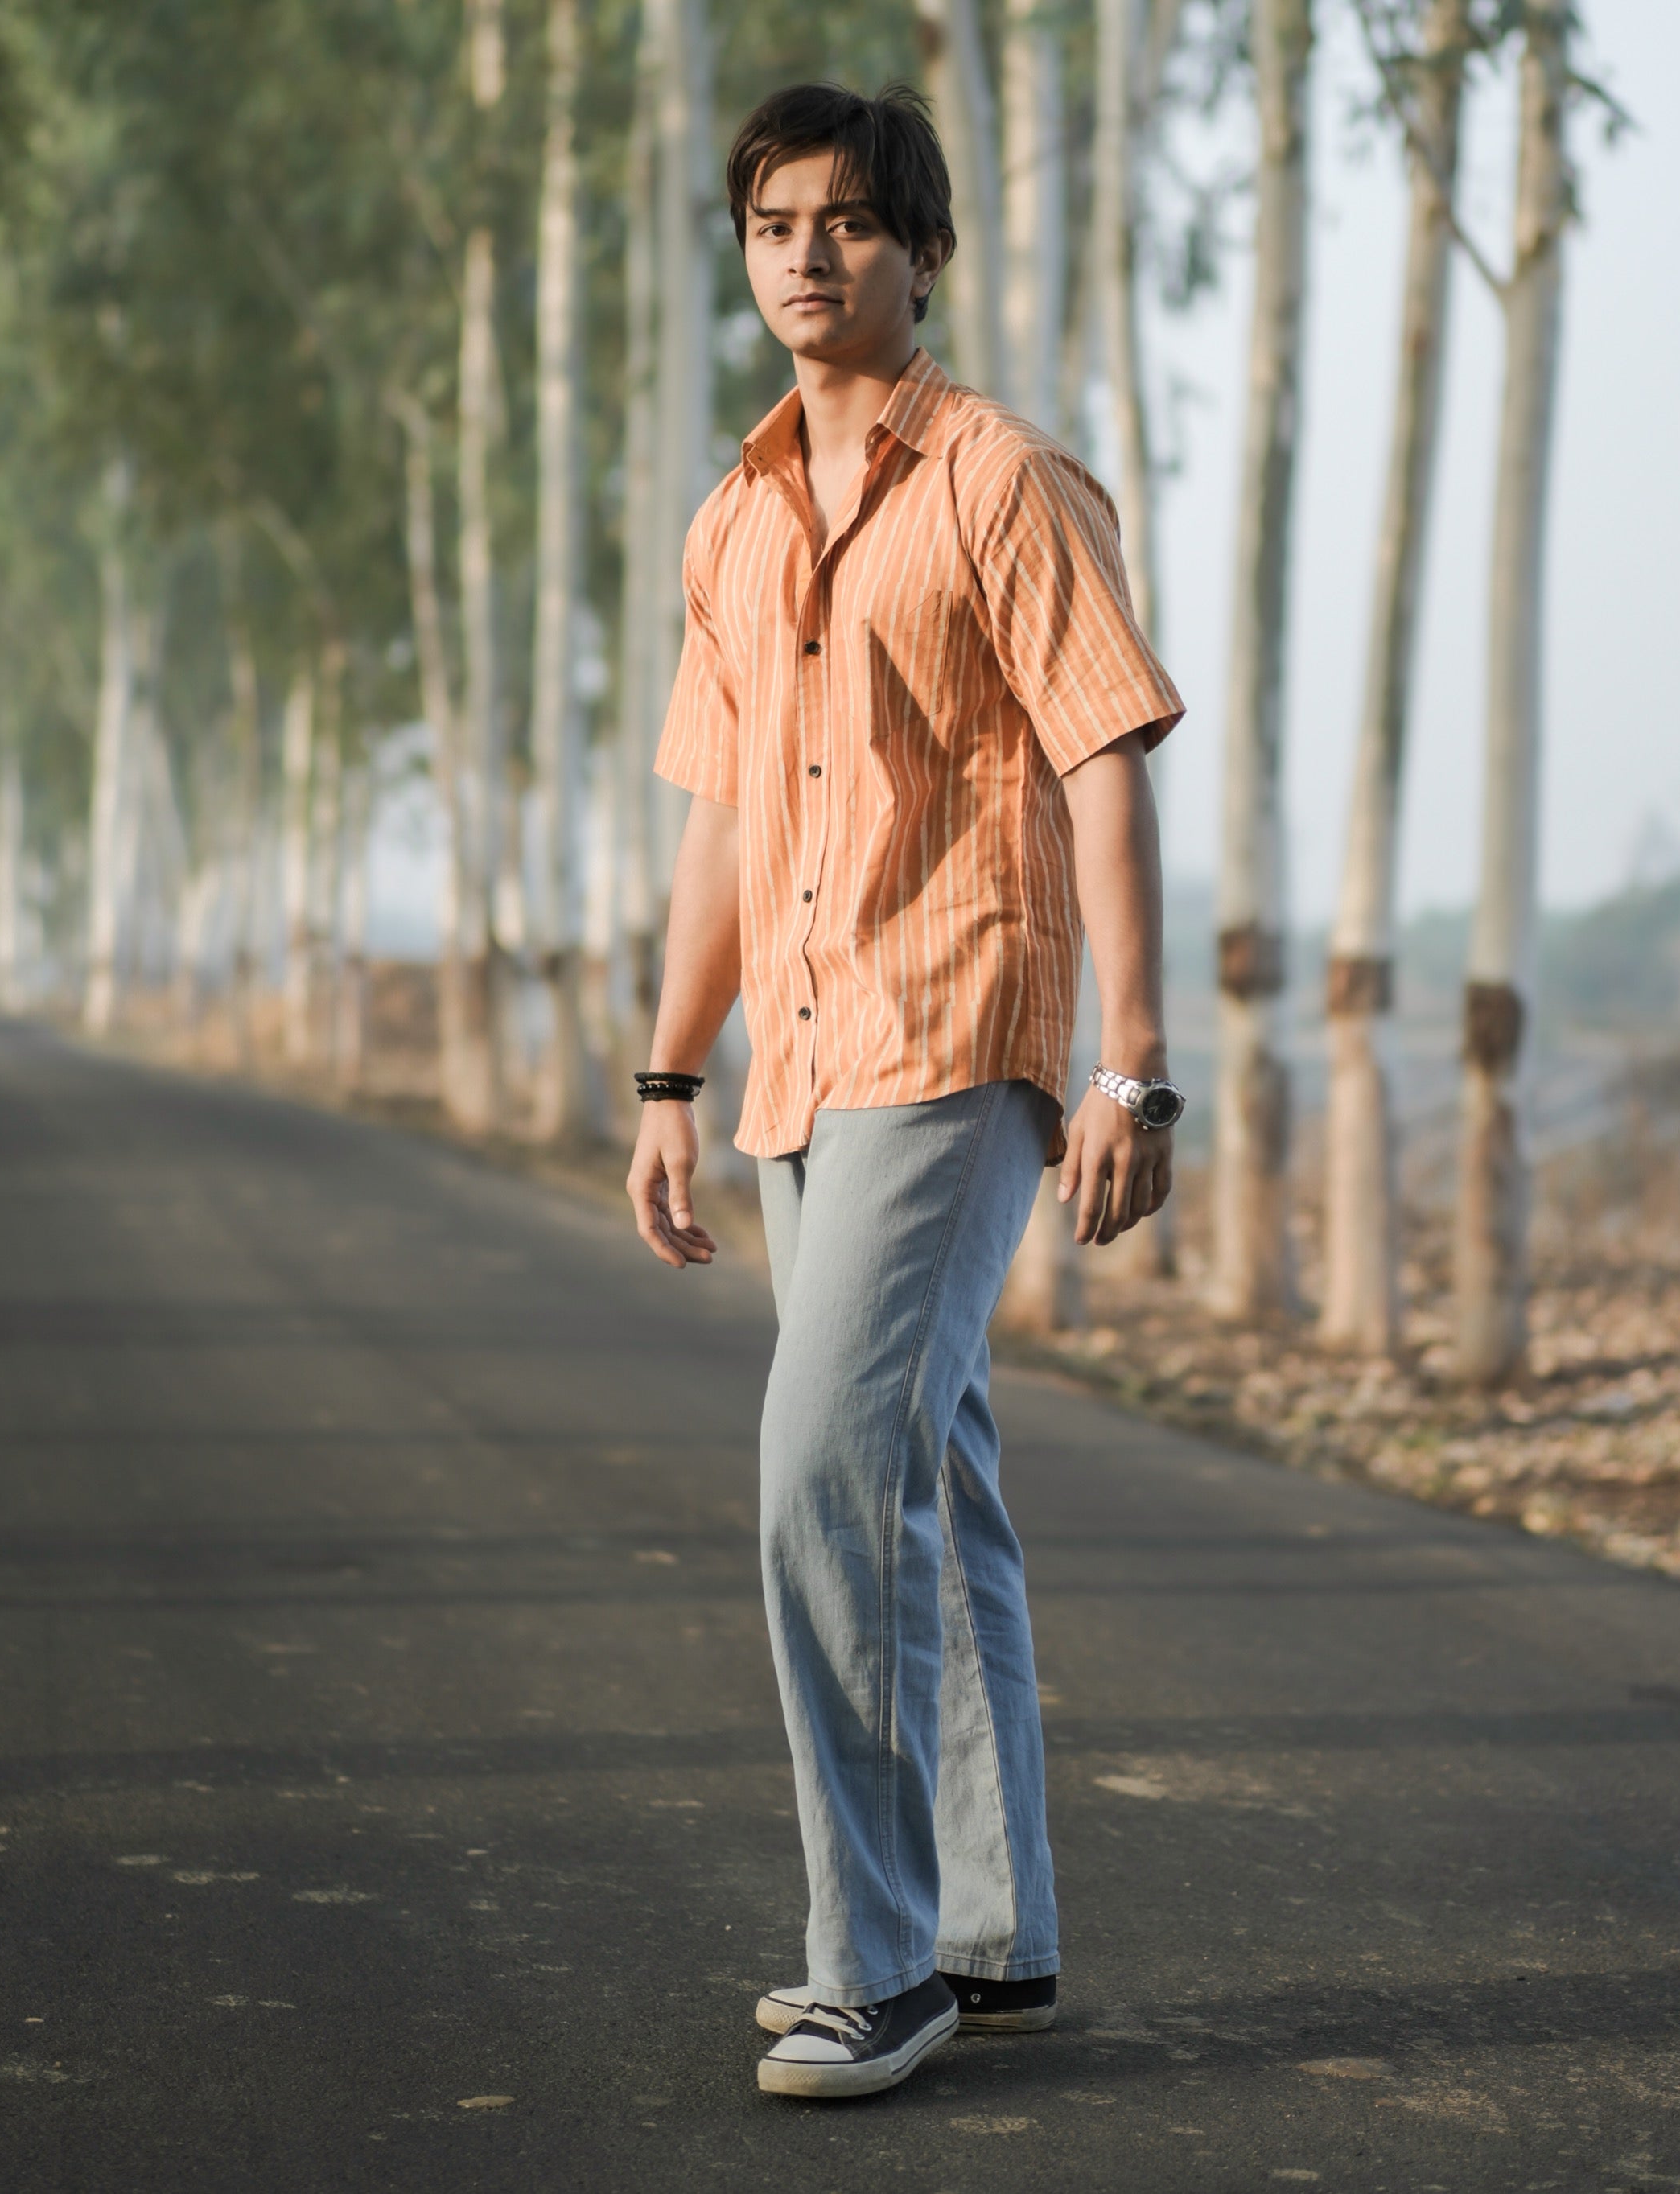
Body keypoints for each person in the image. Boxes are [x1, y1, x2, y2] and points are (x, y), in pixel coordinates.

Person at [627, 80, 1186, 2102]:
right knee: (931, 1482)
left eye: (848, 221)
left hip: (960, 1042)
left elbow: (1107, 765)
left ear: (919, 250)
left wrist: (1133, 1060)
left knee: (818, 1473)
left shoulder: (1008, 484)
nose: (805, 252)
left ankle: (869, 1964)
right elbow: (711, 828)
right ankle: (991, 1929)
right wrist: (668, 1070)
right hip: (801, 1054)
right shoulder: (733, 514)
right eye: (774, 220)